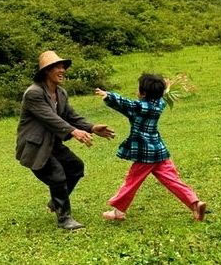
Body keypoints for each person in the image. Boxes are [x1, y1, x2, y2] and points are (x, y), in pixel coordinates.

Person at [16, 51, 116, 230]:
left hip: (53, 144)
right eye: (57, 67)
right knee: (57, 175)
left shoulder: (61, 93)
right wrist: (73, 132)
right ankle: (64, 218)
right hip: (36, 147)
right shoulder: (34, 93)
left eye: (63, 67)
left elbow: (70, 116)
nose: (62, 70)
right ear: (46, 71)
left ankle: (56, 202)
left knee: (75, 167)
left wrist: (92, 128)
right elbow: (50, 118)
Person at [94, 73, 207, 221]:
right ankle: (194, 203)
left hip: (145, 153)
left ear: (143, 93)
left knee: (132, 181)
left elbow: (126, 103)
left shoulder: (140, 106)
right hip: (159, 151)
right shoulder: (159, 104)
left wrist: (108, 95)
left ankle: (118, 212)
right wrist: (166, 86)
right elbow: (130, 107)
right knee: (172, 179)